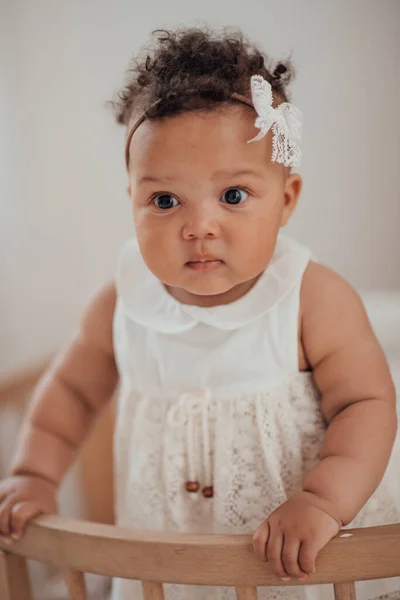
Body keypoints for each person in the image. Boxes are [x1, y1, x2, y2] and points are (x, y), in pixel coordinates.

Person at [0, 27, 399, 600]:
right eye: (165, 201)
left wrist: (322, 501)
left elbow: (366, 403)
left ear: (286, 200)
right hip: (167, 564)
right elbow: (69, 392)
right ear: (133, 201)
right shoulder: (123, 299)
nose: (199, 225)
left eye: (233, 195)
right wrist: (34, 474)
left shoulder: (311, 298)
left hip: (297, 556)